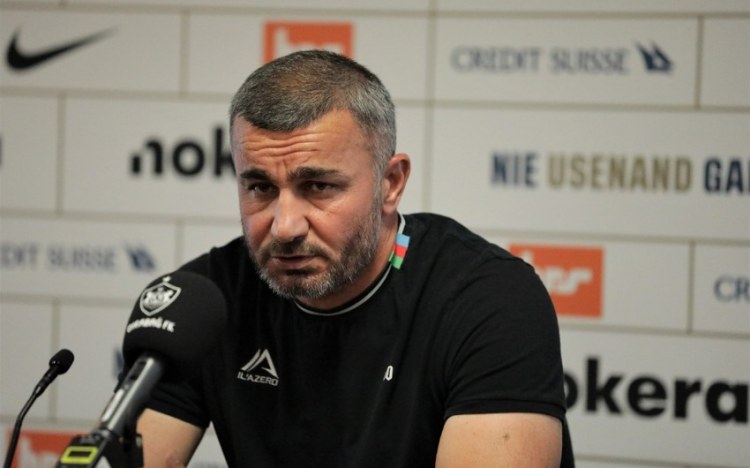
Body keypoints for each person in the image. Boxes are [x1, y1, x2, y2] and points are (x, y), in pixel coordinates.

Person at [133, 49, 574, 467]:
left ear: (391, 183)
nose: (285, 226)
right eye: (260, 188)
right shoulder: (203, 303)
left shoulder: (489, 301)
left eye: (318, 187)